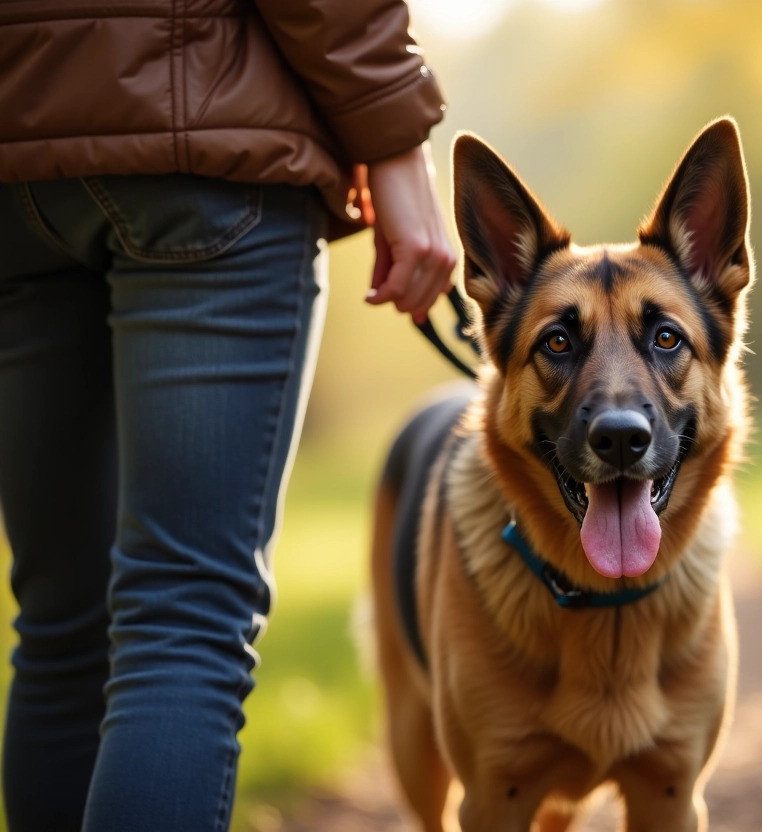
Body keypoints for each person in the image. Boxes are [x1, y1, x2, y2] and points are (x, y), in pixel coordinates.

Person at [0, 2, 456, 829]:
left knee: (60, 630)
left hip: (13, 160)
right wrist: (392, 131)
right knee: (181, 621)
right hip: (201, 134)